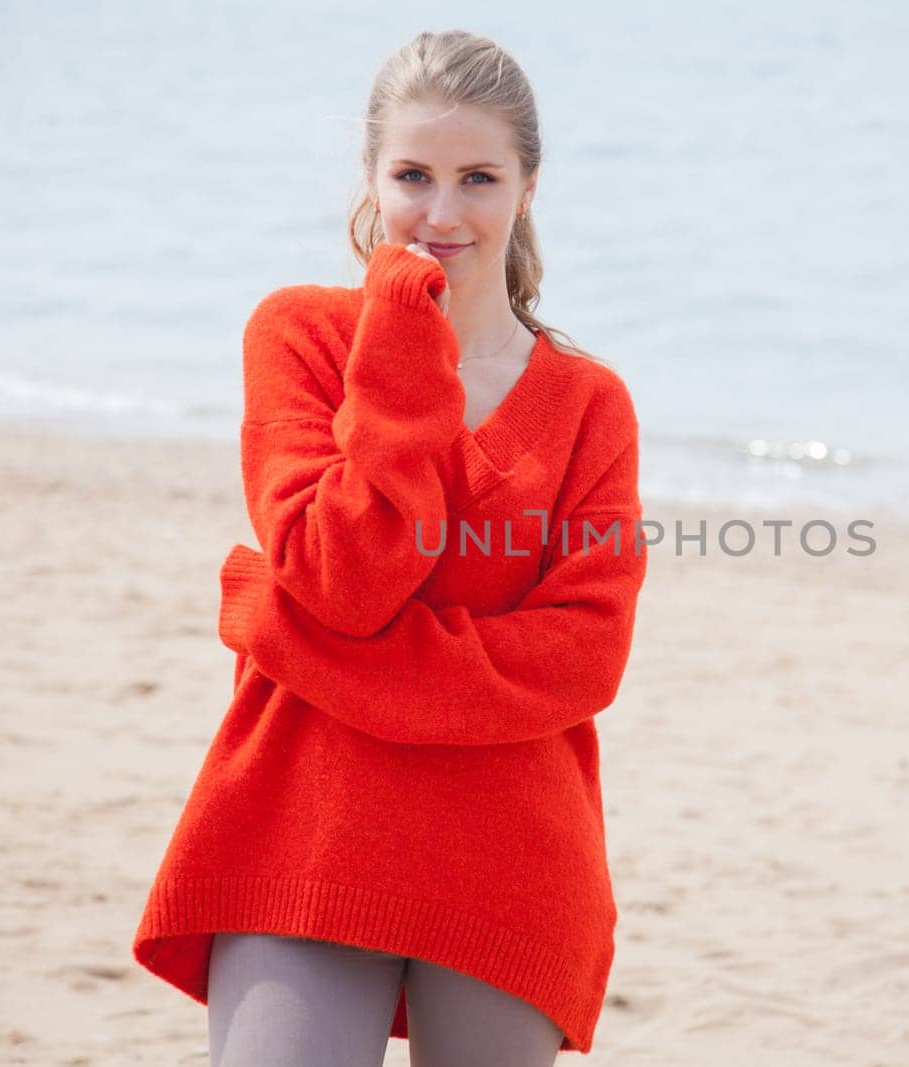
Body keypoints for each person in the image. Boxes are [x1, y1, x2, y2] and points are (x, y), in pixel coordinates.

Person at [130, 28, 649, 1066]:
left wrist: (303, 642)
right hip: (305, 816)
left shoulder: (590, 406)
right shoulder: (301, 339)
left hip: (509, 847)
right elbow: (346, 576)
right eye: (413, 174)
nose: (443, 212)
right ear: (370, 175)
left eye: (478, 177)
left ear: (528, 187)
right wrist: (404, 341)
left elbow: (580, 658)